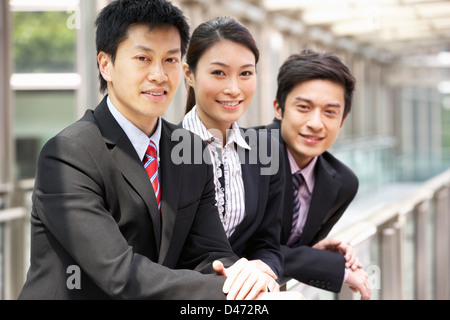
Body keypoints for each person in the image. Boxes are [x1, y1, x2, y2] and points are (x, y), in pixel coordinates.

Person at [18, 0, 272, 300]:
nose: (159, 75)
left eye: (170, 60)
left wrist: (246, 281)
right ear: (105, 65)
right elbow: (121, 275)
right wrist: (233, 292)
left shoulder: (189, 149)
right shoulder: (68, 155)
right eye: (142, 58)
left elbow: (211, 254)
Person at [181, 17, 284, 291]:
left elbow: (267, 242)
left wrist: (264, 267)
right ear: (189, 74)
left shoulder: (266, 149)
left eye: (246, 73)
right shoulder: (166, 149)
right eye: (219, 73)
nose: (234, 89)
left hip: (246, 292)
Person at [260, 49, 371, 299]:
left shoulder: (342, 183)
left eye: (330, 112)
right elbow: (246, 249)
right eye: (303, 107)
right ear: (279, 108)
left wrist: (316, 251)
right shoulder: (249, 154)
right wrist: (331, 268)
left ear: (342, 121)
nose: (316, 123)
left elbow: (287, 249)